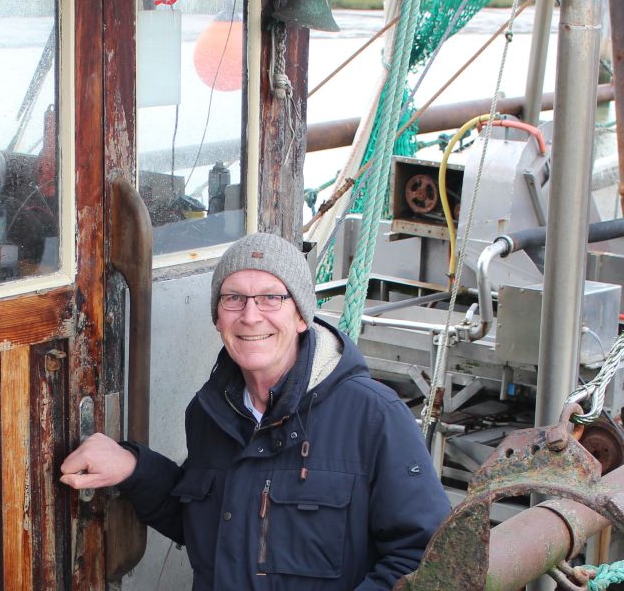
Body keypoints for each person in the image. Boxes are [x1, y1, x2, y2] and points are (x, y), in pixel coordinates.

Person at [60, 232, 450, 590]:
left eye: (271, 298)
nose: (250, 315)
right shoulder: (209, 413)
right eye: (233, 298)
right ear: (217, 318)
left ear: (301, 316)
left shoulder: (374, 416)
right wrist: (134, 467)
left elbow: (424, 559)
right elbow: (210, 529)